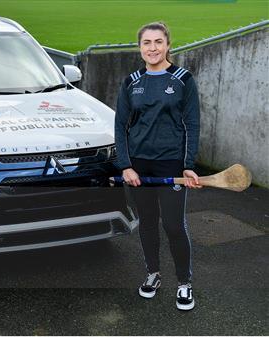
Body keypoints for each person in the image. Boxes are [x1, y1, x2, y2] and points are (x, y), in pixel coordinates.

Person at [114, 22, 202, 311]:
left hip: (172, 164)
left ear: (167, 45)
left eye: (158, 42)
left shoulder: (183, 79)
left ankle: (184, 282)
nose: (152, 48)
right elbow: (120, 125)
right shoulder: (132, 82)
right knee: (147, 223)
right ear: (140, 47)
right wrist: (126, 165)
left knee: (174, 225)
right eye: (146, 43)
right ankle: (153, 274)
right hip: (139, 167)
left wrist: (188, 165)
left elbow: (192, 124)